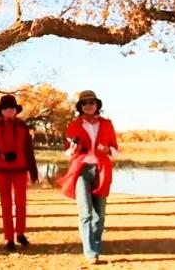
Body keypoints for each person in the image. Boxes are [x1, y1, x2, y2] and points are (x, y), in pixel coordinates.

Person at [59, 90, 119, 265]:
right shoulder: (74, 125)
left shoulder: (107, 124)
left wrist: (107, 150)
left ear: (97, 105)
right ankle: (90, 252)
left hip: (102, 170)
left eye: (91, 102)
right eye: (84, 103)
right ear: (80, 107)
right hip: (81, 170)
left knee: (99, 214)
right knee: (85, 212)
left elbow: (115, 149)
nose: (88, 105)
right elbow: (68, 151)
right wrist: (73, 147)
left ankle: (96, 245)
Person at [0, 95, 38, 252]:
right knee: (6, 204)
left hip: (21, 169)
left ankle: (20, 233)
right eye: (6, 108)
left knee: (21, 202)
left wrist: (33, 170)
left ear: (16, 110)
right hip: (2, 170)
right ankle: (9, 238)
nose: (9, 110)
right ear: (1, 110)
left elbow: (28, 149)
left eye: (12, 108)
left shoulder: (22, 126)